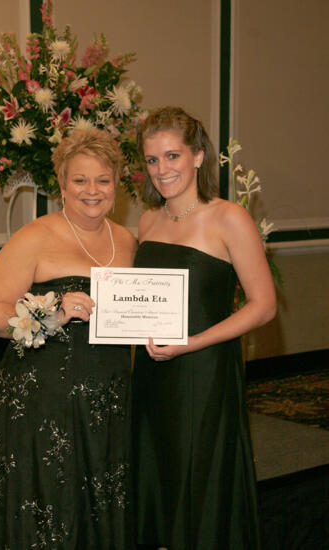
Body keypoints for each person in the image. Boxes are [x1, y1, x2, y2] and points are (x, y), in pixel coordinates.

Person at [0, 128, 137, 549]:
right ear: (62, 185)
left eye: (103, 180)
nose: (92, 190)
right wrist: (50, 317)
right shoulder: (35, 236)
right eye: (80, 180)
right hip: (41, 405)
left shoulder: (128, 241)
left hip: (108, 403)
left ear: (117, 184)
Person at [132, 107, 276, 550]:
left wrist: (190, 344)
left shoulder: (228, 217)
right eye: (153, 160)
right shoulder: (148, 221)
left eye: (172, 156)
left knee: (200, 476)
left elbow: (264, 306)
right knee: (158, 475)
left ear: (197, 156)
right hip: (154, 373)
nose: (162, 170)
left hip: (205, 372)